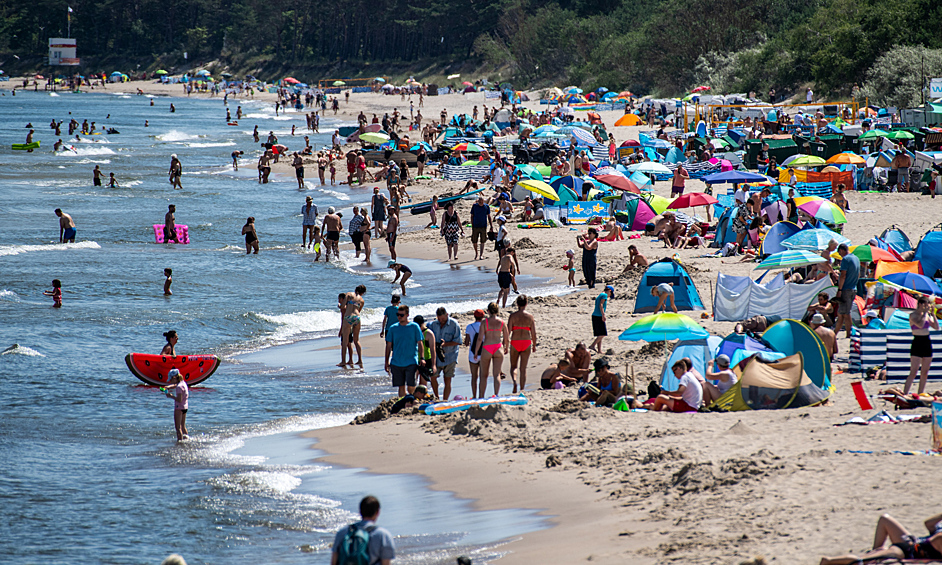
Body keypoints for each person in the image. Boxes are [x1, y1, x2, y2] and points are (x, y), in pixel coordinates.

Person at [819, 512, 942, 565]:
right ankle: (828, 561)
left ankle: (877, 551)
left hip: (910, 542)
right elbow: (929, 524)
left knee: (885, 519)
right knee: (861, 561)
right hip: (907, 550)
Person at [331, 496, 395, 565]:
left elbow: (333, 562)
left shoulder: (342, 532)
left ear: (360, 511)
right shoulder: (383, 535)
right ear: (378, 512)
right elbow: (385, 563)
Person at [384, 304, 424, 397]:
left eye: (401, 315)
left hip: (411, 361)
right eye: (398, 314)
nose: (399, 317)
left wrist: (421, 358)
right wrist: (386, 361)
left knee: (411, 386)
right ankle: (404, 405)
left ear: (407, 315)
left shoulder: (414, 327)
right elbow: (388, 346)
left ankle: (413, 401)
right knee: (401, 386)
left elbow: (420, 343)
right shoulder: (393, 328)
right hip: (396, 362)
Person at [904, 296, 939, 395]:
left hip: (926, 341)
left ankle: (920, 393)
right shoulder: (913, 315)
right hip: (917, 342)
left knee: (924, 372)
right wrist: (925, 314)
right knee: (914, 371)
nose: (927, 307)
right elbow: (920, 324)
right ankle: (905, 393)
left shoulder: (927, 315)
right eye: (926, 305)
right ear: (920, 305)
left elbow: (936, 327)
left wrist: (933, 315)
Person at [476, 302, 509, 397]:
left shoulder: (484, 322)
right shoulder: (502, 322)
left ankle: (481, 396)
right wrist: (506, 347)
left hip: (487, 347)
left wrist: (476, 352)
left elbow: (479, 338)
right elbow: (506, 338)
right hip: (498, 347)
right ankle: (496, 395)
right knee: (497, 374)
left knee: (483, 375)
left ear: (488, 311)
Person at [428, 307, 461, 400]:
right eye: (439, 319)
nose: (441, 321)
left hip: (450, 356)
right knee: (433, 377)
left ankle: (445, 400)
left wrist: (445, 344)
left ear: (447, 315)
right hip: (436, 356)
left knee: (448, 379)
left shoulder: (454, 324)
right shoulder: (433, 325)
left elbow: (458, 341)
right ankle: (437, 397)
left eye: (443, 319)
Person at [507, 295, 537, 393]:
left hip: (515, 341)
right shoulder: (530, 316)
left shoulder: (513, 316)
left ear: (517, 304)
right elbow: (533, 333)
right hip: (526, 342)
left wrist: (506, 345)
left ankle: (515, 382)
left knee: (513, 366)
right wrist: (534, 345)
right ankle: (522, 389)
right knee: (523, 368)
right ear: (526, 304)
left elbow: (508, 332)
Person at [833, 243, 860, 339]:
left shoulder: (845, 259)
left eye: (839, 252)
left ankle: (849, 334)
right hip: (853, 288)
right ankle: (834, 333)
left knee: (846, 313)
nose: (840, 255)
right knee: (841, 313)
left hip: (846, 289)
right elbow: (858, 274)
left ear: (842, 250)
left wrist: (839, 289)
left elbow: (843, 275)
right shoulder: (856, 258)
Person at [464, 309, 486, 398]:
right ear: (483, 317)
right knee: (482, 376)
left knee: (474, 377)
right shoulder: (485, 326)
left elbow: (466, 342)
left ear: (474, 316)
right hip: (484, 353)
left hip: (473, 354)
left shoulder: (469, 327)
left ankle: (474, 395)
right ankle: (481, 395)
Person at [413, 315, 438, 390]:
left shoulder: (429, 333)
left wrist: (433, 365)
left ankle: (422, 398)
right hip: (415, 359)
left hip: (426, 360)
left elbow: (433, 350)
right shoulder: (414, 332)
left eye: (419, 325)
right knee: (413, 381)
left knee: (423, 383)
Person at [164, 369, 189, 441]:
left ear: (174, 378)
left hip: (179, 408)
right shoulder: (183, 383)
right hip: (185, 407)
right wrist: (168, 387)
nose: (170, 381)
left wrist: (171, 396)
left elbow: (179, 399)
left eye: (171, 379)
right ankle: (187, 440)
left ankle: (180, 442)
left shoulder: (179, 387)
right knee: (183, 426)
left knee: (178, 428)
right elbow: (175, 385)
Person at [590, 285, 614, 354]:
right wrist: (603, 315)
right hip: (598, 316)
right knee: (603, 334)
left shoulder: (600, 294)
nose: (609, 296)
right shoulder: (604, 295)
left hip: (595, 315)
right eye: (611, 294)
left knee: (599, 334)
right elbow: (601, 304)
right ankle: (592, 346)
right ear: (609, 291)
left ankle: (599, 350)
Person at [470, 196, 493, 261]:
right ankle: (476, 253)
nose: (481, 203)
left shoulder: (486, 207)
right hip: (475, 226)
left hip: (483, 226)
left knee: (483, 241)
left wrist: (491, 226)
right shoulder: (474, 206)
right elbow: (472, 216)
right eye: (480, 202)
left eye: (482, 202)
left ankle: (481, 254)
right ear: (478, 201)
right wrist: (472, 224)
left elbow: (489, 216)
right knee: (474, 241)